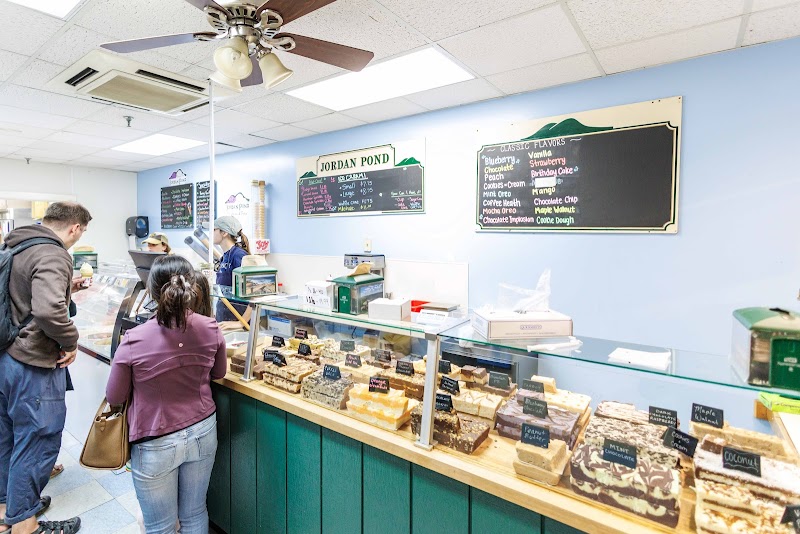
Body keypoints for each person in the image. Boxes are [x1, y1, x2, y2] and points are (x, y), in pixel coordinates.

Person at [106, 255, 226, 534]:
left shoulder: (134, 339)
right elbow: (218, 374)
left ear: (151, 291)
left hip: (154, 441)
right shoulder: (211, 327)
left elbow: (115, 396)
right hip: (202, 432)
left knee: (160, 526)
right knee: (195, 513)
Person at [0, 202, 92, 534]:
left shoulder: (17, 243)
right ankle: (26, 525)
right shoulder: (55, 254)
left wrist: (69, 289)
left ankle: (6, 513)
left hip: (6, 357)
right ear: (76, 228)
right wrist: (70, 341)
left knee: (8, 439)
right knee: (37, 442)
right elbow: (49, 313)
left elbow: (22, 295)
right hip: (33, 363)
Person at [212, 216, 250, 322]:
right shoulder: (224, 256)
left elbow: (252, 293)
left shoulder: (238, 255)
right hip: (224, 315)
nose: (211, 233)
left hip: (237, 317)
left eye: (214, 230)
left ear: (224, 233)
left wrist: (241, 322)